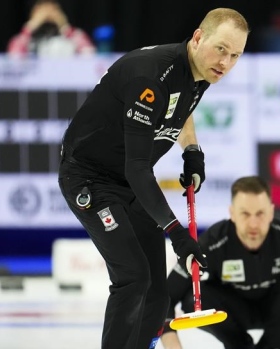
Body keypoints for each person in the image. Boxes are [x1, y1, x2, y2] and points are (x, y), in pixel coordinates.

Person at [57, 8, 249, 349]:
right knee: (133, 277)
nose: (226, 62)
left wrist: (193, 150)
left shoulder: (201, 71)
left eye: (236, 55)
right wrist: (176, 233)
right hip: (90, 178)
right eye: (221, 49)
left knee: (157, 295)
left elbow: (180, 108)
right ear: (198, 37)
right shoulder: (152, 77)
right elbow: (138, 168)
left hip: (126, 181)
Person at [160, 176, 280, 349]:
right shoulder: (211, 243)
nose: (253, 224)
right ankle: (238, 345)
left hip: (278, 310)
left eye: (260, 214)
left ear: (271, 212)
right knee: (194, 297)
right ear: (232, 213)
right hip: (232, 313)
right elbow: (166, 297)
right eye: (245, 214)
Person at [7, 0, 95, 57]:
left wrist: (64, 27)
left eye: (53, 9)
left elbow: (89, 55)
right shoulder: (23, 39)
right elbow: (14, 58)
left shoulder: (74, 35)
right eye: (42, 10)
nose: (47, 13)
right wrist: (32, 26)